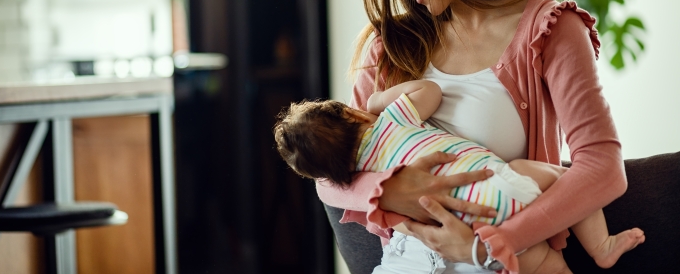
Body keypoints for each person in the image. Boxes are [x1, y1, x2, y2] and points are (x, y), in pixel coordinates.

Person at [317, 0, 632, 273]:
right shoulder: (391, 47)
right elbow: (327, 173)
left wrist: (492, 244)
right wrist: (391, 191)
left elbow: (602, 167)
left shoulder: (550, 30)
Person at [275, 80, 644, 273]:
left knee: (545, 265)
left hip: (464, 227)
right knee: (565, 178)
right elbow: (430, 91)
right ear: (353, 115)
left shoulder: (366, 175)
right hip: (498, 188)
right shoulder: (391, 119)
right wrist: (378, 100)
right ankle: (601, 247)